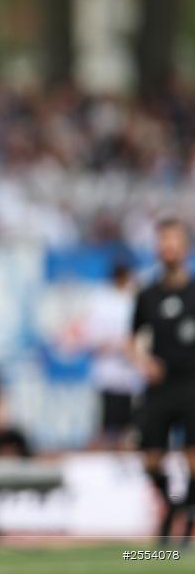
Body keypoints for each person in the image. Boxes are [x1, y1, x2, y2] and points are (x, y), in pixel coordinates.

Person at [129, 217, 195, 543]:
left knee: (192, 455)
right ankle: (173, 506)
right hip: (160, 386)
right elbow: (132, 339)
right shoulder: (148, 295)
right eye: (163, 240)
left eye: (174, 240)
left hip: (192, 384)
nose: (168, 247)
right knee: (150, 458)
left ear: (185, 246)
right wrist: (143, 362)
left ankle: (187, 513)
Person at [82, 263, 143, 449]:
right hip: (109, 374)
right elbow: (93, 339)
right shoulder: (101, 301)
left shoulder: (134, 299)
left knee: (130, 429)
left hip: (130, 376)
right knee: (108, 428)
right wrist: (119, 344)